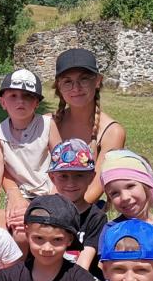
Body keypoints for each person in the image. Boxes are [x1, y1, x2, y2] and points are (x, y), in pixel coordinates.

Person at [0, 68, 59, 243]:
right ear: (3, 102)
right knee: (18, 230)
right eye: (13, 96)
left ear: (36, 103)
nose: (20, 101)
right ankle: (20, 258)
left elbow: (61, 160)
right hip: (21, 192)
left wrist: (55, 195)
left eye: (27, 96)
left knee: (46, 226)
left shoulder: (47, 125)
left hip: (49, 190)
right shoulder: (0, 132)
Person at [51, 48, 125, 205]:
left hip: (81, 209)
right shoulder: (49, 123)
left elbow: (94, 190)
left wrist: (53, 212)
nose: (76, 88)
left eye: (84, 79)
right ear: (59, 86)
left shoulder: (112, 132)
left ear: (97, 81)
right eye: (68, 81)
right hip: (42, 202)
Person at [48, 139, 108, 273]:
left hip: (81, 278)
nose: (71, 183)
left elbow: (83, 265)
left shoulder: (96, 217)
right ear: (52, 178)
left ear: (91, 178)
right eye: (63, 176)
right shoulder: (45, 212)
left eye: (79, 175)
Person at [100, 149, 153, 225]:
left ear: (146, 185)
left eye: (130, 186)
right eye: (114, 193)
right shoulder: (113, 230)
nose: (125, 197)